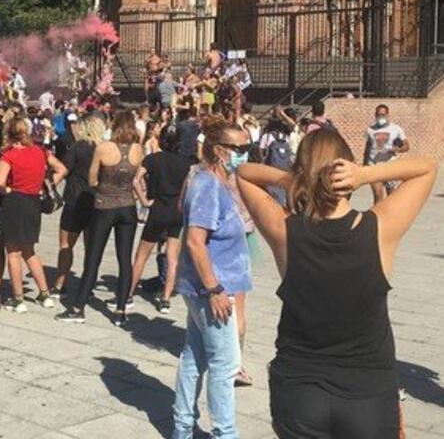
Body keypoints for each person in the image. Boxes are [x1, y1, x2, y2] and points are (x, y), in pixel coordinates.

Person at [236, 130, 436, 439]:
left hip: (299, 392)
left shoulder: (285, 231)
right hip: (368, 396)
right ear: (348, 168)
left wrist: (294, 180)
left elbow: (245, 173)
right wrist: (367, 174)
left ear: (300, 170)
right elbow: (427, 168)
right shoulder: (379, 228)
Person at [171, 117, 252, 439]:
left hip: (205, 285)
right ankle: (225, 433)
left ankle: (182, 427)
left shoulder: (215, 182)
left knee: (195, 356)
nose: (245, 154)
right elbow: (194, 239)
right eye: (240, 148)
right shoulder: (207, 183)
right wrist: (215, 288)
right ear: (220, 151)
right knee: (225, 364)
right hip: (214, 287)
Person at [56, 111, 142, 325]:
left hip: (104, 206)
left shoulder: (104, 148)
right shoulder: (138, 149)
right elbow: (136, 179)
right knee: (125, 260)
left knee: (94, 257)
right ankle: (121, 310)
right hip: (128, 206)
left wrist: (104, 184)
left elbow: (93, 179)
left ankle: (78, 308)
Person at [0, 116, 66, 312]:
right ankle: (45, 293)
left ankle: (18, 299)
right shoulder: (39, 151)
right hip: (34, 202)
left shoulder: (8, 154)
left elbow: (0, 182)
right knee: (30, 250)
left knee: (13, 252)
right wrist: (48, 185)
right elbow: (61, 168)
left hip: (15, 202)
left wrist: (8, 190)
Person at [126, 124, 190, 315]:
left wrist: (145, 201)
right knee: (172, 257)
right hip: (177, 211)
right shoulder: (186, 163)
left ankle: (128, 293)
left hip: (158, 209)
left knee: (142, 254)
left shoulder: (152, 159)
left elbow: (136, 180)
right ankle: (165, 299)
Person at [53, 114, 105, 295]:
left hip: (74, 200)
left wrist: (49, 187)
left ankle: (60, 283)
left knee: (66, 245)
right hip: (96, 202)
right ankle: (87, 283)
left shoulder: (77, 148)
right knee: (91, 247)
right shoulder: (104, 149)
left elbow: (62, 171)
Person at [363, 104, 409, 201]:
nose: (381, 117)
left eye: (383, 115)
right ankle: (376, 215)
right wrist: (365, 164)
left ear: (388, 115)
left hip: (390, 165)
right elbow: (367, 147)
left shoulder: (396, 129)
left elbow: (406, 146)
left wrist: (396, 149)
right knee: (378, 194)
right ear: (375, 115)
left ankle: (390, 215)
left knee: (391, 196)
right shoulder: (370, 130)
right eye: (379, 115)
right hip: (374, 165)